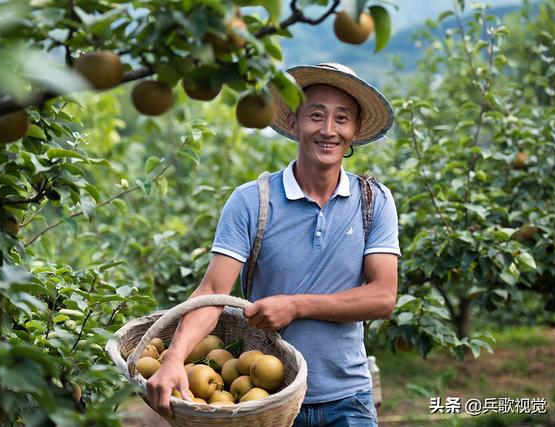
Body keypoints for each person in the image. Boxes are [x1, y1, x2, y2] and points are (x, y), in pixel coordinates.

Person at [147, 63, 400, 426]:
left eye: (341, 118)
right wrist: (173, 358)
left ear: (355, 130)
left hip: (348, 398)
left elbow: (382, 296)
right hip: (265, 399)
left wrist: (296, 306)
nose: (328, 130)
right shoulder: (253, 201)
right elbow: (214, 291)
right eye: (316, 115)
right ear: (294, 123)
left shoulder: (373, 200)